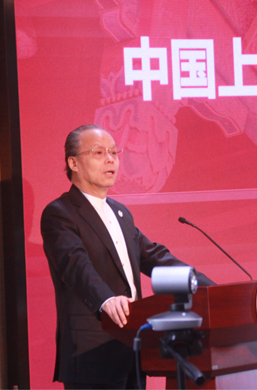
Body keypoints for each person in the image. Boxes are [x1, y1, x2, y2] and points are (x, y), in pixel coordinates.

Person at [41, 124, 214, 389]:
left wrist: (206, 287)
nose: (110, 159)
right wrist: (106, 299)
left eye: (114, 152)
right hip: (92, 353)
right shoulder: (60, 213)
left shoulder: (120, 212)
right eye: (99, 153)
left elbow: (154, 257)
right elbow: (75, 265)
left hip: (132, 347)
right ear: (73, 163)